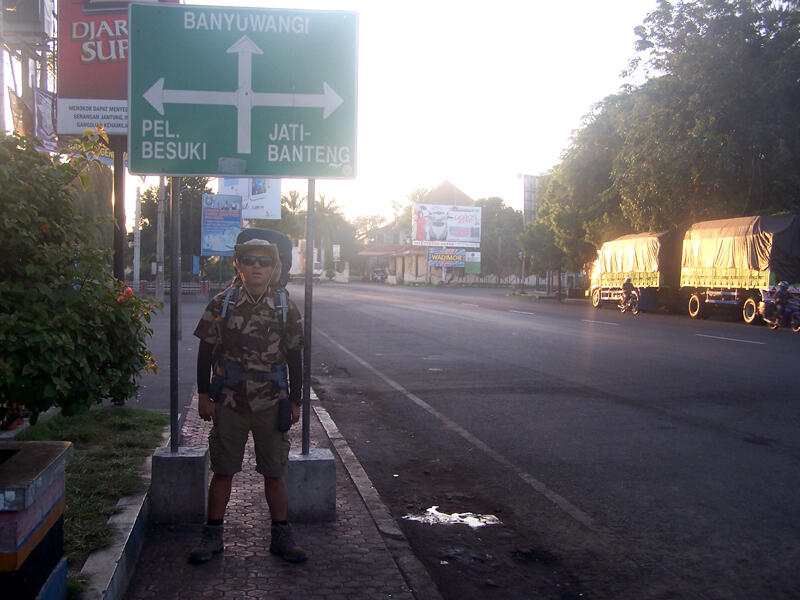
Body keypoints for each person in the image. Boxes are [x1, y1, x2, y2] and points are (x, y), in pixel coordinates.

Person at [188, 230, 306, 565]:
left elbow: (296, 355)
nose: (256, 267)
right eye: (249, 260)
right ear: (238, 265)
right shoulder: (222, 303)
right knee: (223, 470)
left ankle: (282, 537)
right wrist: (203, 394)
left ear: (274, 268)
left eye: (264, 262)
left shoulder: (284, 307)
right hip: (229, 402)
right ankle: (212, 537)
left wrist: (295, 400)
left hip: (271, 402)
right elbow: (205, 351)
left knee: (274, 471)